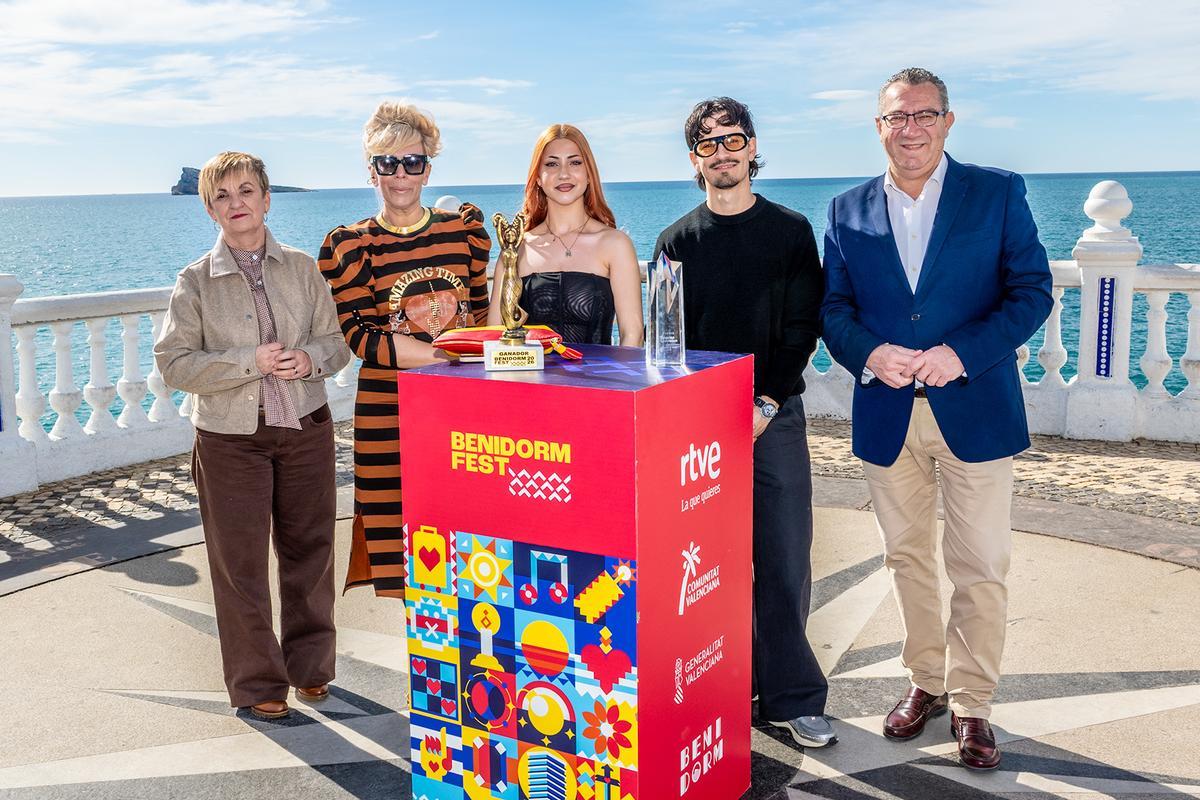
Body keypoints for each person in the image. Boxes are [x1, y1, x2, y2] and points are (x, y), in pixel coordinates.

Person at [821, 68, 1053, 770]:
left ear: (949, 121)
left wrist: (963, 353)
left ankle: (973, 703)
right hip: (889, 414)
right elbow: (834, 311)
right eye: (897, 116)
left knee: (980, 564)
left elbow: (1031, 291)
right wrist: (871, 353)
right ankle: (925, 681)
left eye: (925, 114)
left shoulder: (998, 191)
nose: (911, 127)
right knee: (907, 560)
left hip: (975, 408)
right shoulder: (846, 209)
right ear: (879, 127)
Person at [654, 97, 832, 748]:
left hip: (773, 417)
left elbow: (801, 327)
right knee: (702, 567)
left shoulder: (789, 231)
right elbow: (669, 345)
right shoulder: (674, 241)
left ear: (753, 147)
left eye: (733, 140)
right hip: (697, 429)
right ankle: (721, 687)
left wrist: (764, 404)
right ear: (694, 159)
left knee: (784, 558)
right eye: (707, 144)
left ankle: (792, 696)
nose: (722, 152)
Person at [154, 151, 350, 720]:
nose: (236, 204)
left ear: (266, 198)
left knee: (310, 551)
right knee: (239, 564)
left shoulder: (302, 268)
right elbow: (174, 364)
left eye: (246, 192)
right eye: (223, 196)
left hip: (306, 427)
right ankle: (258, 683)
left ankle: (311, 669)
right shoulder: (193, 281)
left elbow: (336, 343)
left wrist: (308, 359)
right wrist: (250, 361)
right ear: (209, 209)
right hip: (229, 440)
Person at [319, 101, 490, 598]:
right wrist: (448, 356)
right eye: (387, 163)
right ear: (371, 171)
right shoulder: (351, 247)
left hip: (464, 414)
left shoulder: (464, 232)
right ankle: (423, 668)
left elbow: (480, 314)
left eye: (412, 162)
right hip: (388, 417)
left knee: (473, 549)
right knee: (408, 558)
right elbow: (361, 339)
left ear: (428, 168)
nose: (400, 175)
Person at [487, 124, 643, 346]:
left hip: (599, 380)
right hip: (528, 380)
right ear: (538, 178)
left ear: (589, 174)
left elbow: (633, 335)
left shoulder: (615, 244)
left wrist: (616, 381)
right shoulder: (516, 250)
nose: (564, 173)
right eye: (552, 164)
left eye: (575, 162)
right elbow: (495, 339)